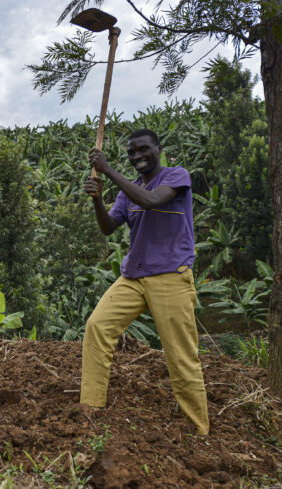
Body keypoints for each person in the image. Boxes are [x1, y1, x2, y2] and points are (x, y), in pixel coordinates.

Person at [81, 129, 209, 435]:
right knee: (97, 327)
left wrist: (107, 170)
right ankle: (90, 409)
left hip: (170, 275)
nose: (137, 156)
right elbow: (108, 227)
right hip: (134, 277)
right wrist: (97, 200)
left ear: (158, 149)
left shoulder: (176, 176)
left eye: (143, 150)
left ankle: (198, 428)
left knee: (180, 354)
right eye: (132, 153)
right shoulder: (127, 193)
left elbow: (152, 200)